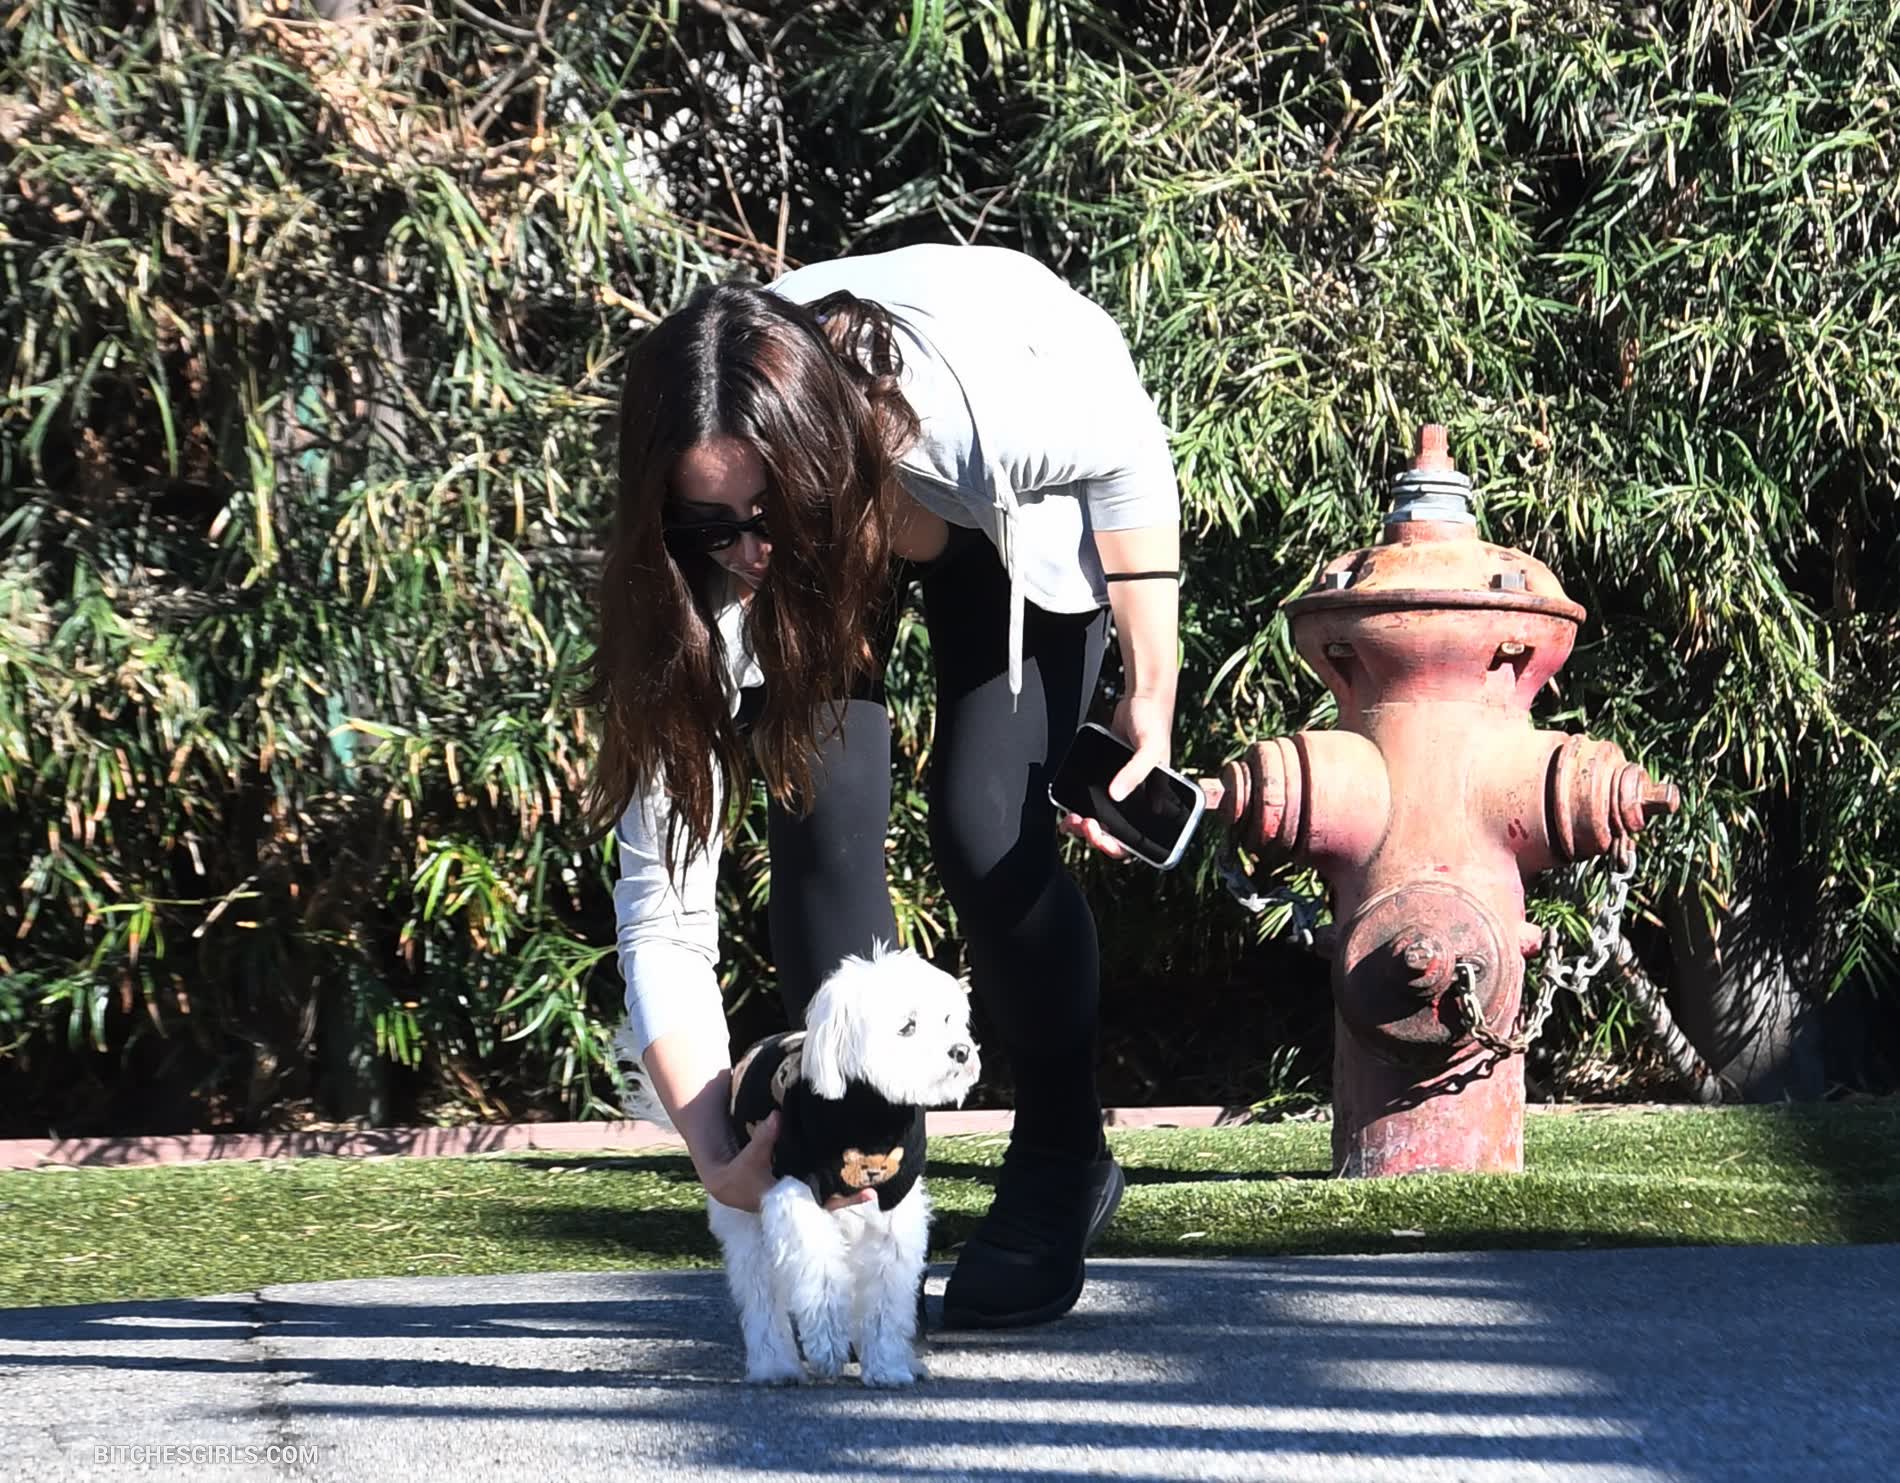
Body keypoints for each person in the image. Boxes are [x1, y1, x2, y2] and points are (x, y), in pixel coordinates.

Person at [587, 242, 1181, 1329]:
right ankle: (862, 1180)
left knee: (983, 819)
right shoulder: (700, 571)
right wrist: (716, 1154)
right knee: (819, 819)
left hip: (1000, 504)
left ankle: (1062, 1154)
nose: (748, 551)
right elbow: (661, 913)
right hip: (848, 514)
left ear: (814, 462)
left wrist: (1152, 679)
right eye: (711, 525)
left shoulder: (972, 414)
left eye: (766, 513)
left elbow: (1126, 446)